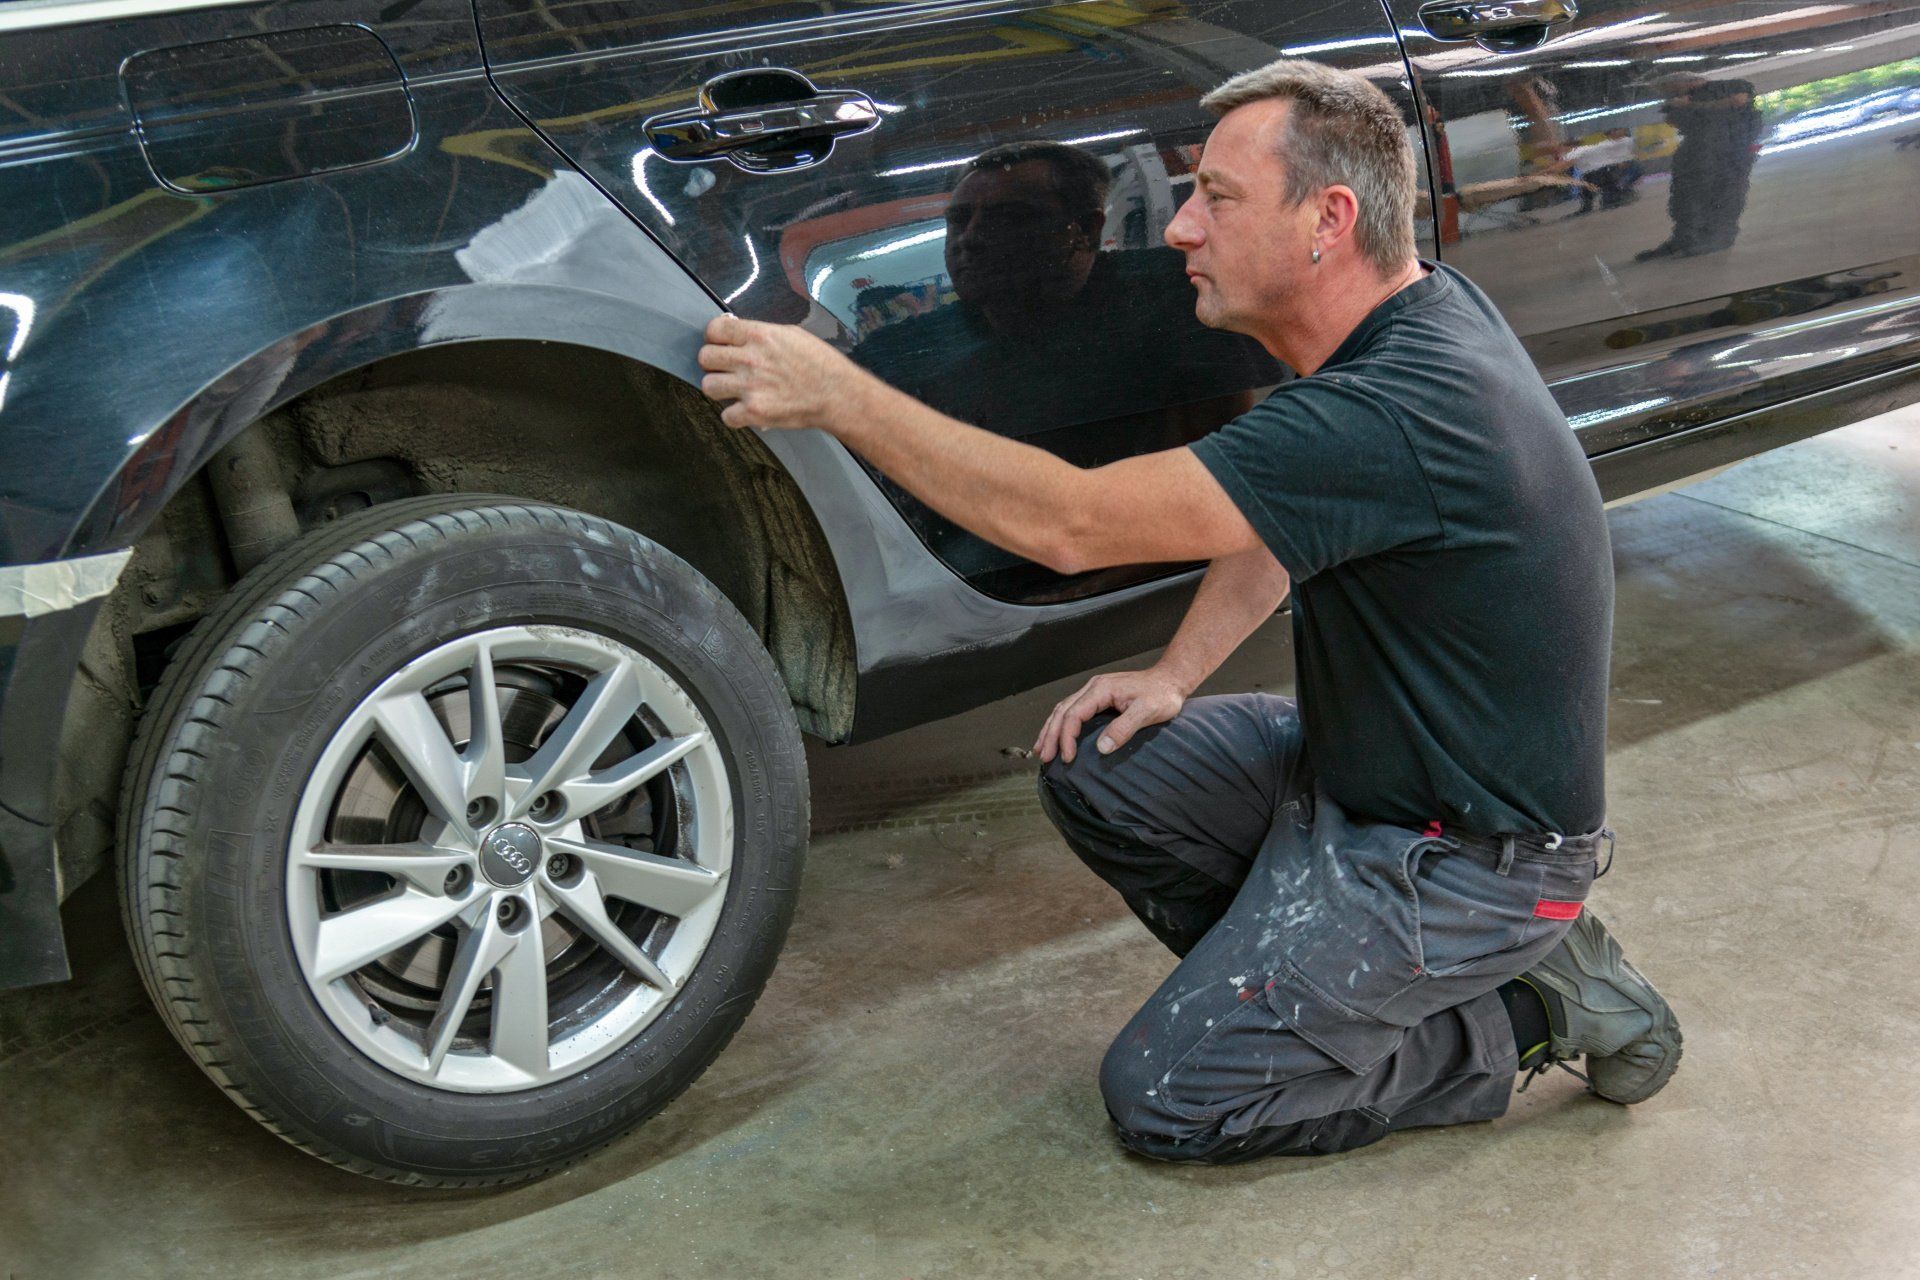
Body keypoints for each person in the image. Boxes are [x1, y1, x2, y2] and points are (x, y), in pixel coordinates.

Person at [697, 58, 1681, 1162]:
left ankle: (1535, 1006)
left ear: (1329, 220)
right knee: (1104, 761)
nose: (1177, 231)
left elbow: (1071, 523)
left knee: (1172, 1097)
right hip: (1362, 778)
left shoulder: (1400, 407)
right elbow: (1280, 512)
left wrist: (840, 395)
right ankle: (1329, 981)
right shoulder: (1417, 310)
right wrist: (1174, 673)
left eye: (1215, 196)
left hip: (1473, 857)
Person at [849, 140, 1277, 585]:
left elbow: (1224, 498)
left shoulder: (1169, 307)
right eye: (959, 219)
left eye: (1008, 217)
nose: (970, 237)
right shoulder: (903, 348)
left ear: (1086, 230)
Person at [1638, 73, 1762, 260]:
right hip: (1697, 152)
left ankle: (1719, 238)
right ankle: (1684, 238)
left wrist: (1690, 106)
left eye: (1668, 89)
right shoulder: (1676, 100)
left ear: (1681, 81)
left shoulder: (1731, 85)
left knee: (1723, 194)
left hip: (1730, 151)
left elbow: (1737, 101)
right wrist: (1680, 107)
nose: (1667, 94)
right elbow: (1675, 121)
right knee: (1685, 198)